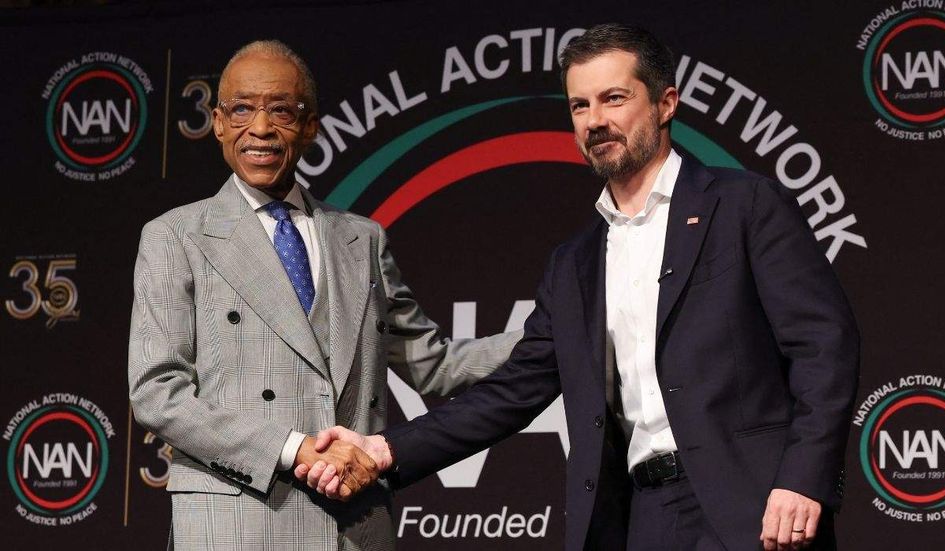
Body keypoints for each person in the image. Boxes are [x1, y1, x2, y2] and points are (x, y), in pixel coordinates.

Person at [298, 24, 859, 551]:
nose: (595, 121)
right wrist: (384, 449)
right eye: (580, 106)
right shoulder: (575, 264)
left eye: (614, 99)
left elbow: (824, 346)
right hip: (642, 516)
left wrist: (802, 479)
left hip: (756, 504)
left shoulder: (743, 205)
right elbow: (512, 391)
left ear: (665, 103)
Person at [127, 40, 519, 550]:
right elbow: (158, 393)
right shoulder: (176, 236)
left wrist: (556, 334)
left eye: (281, 110)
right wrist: (292, 448)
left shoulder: (362, 239)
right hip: (236, 525)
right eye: (242, 109)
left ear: (310, 125)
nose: (260, 128)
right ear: (219, 123)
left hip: (353, 526)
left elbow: (435, 364)